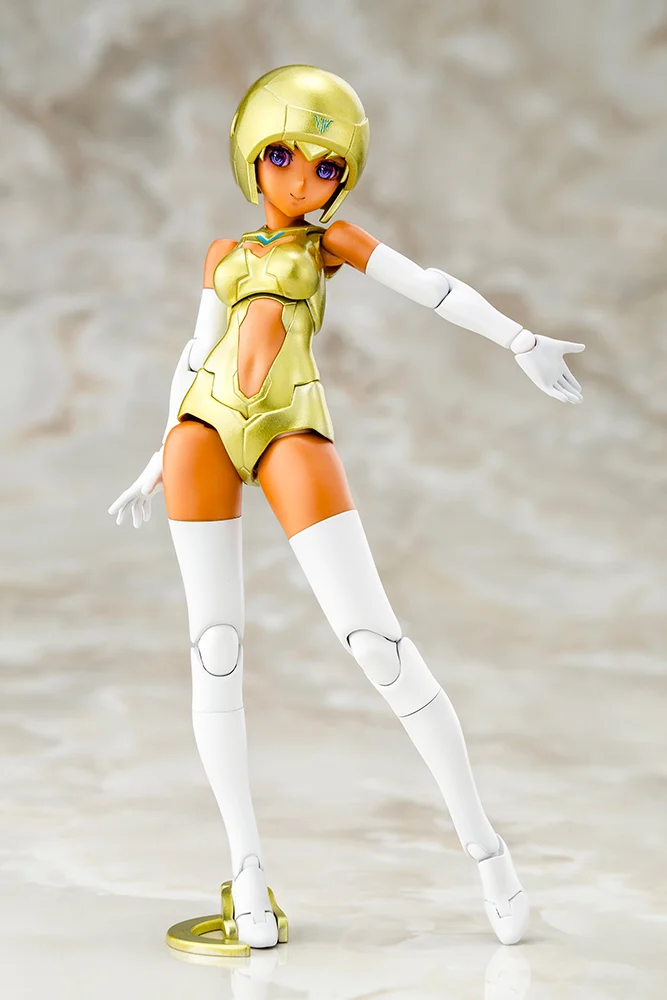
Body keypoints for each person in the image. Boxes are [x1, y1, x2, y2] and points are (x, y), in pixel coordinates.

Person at [109, 65, 584, 949]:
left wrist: (518, 339)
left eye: (325, 167)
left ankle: (488, 856)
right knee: (214, 652)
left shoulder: (329, 243)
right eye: (283, 156)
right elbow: (196, 352)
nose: (301, 180)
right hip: (199, 435)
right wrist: (155, 455)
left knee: (377, 644)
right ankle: (249, 874)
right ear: (252, 156)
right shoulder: (222, 254)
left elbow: (431, 286)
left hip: (291, 427)